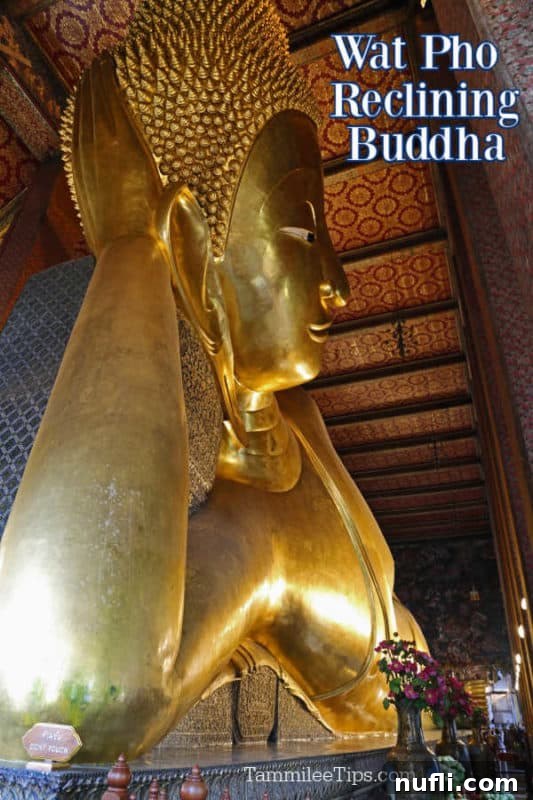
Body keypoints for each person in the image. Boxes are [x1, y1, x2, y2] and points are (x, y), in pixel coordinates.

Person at [0, 0, 427, 762]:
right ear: (196, 245)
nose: (337, 282)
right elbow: (63, 698)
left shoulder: (303, 420)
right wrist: (136, 251)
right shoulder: (244, 533)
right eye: (302, 231)